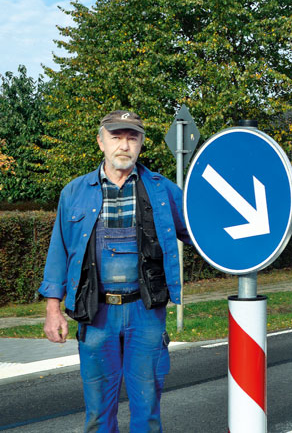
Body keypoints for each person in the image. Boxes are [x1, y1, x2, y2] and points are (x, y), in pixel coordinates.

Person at [39, 110, 191, 432]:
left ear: (141, 143)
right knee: (97, 414)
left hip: (146, 313)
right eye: (116, 136)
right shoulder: (74, 193)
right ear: (101, 142)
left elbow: (198, 231)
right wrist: (54, 310)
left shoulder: (163, 192)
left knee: (147, 411)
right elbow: (58, 253)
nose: (124, 144)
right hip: (96, 316)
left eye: (132, 137)